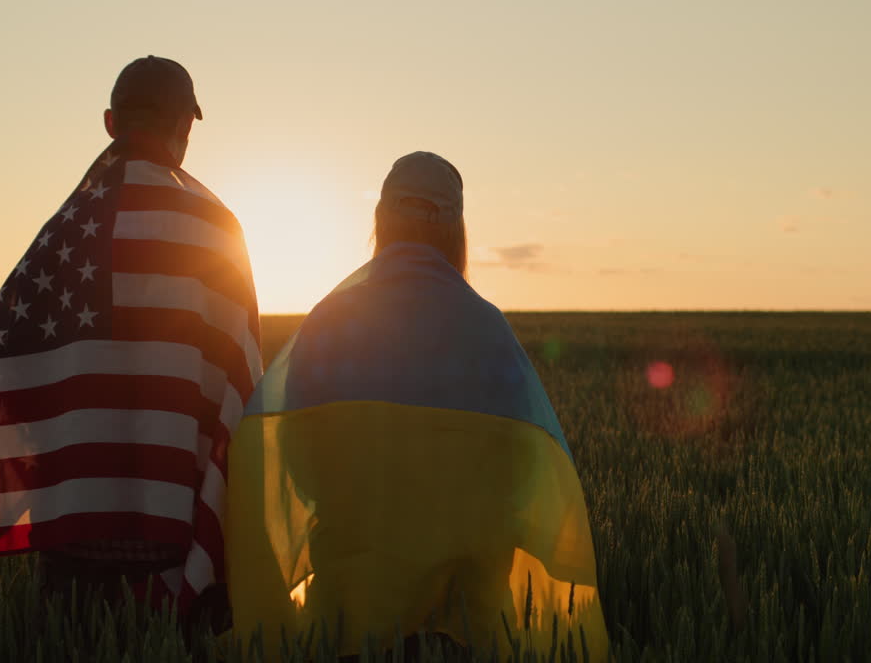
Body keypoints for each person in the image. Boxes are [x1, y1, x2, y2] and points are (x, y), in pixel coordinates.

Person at [0, 56, 262, 619]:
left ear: (110, 123)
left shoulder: (63, 232)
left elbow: (7, 372)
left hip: (72, 533)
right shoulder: (217, 228)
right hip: (174, 528)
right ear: (185, 127)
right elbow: (241, 385)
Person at [224, 152, 609, 660]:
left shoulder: (327, 323)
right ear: (456, 232)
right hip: (470, 619)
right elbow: (524, 474)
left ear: (381, 223)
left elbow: (293, 460)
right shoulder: (489, 331)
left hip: (345, 614)